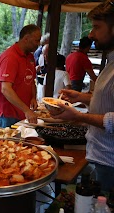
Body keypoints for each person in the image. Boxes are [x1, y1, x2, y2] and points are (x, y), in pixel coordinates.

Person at [53, 0, 114, 192]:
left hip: (109, 161)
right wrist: (81, 97)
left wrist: (78, 116)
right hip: (99, 155)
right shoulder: (111, 62)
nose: (91, 34)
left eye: (97, 27)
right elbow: (108, 102)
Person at [0, 24, 41, 128]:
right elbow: (5, 89)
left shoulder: (30, 56)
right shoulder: (10, 57)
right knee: (9, 142)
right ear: (26, 38)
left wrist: (33, 97)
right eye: (37, 40)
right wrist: (27, 110)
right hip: (8, 113)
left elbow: (31, 81)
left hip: (21, 111)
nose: (39, 44)